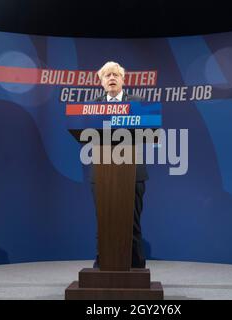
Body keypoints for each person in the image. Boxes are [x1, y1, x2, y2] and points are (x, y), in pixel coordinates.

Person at [91, 61, 148, 269]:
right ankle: (102, 260)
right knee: (104, 219)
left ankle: (135, 262)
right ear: (101, 82)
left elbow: (147, 131)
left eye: (116, 74)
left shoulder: (138, 102)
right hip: (102, 171)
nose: (112, 78)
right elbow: (83, 133)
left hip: (132, 172)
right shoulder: (92, 106)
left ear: (123, 80)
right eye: (107, 75)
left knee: (131, 220)